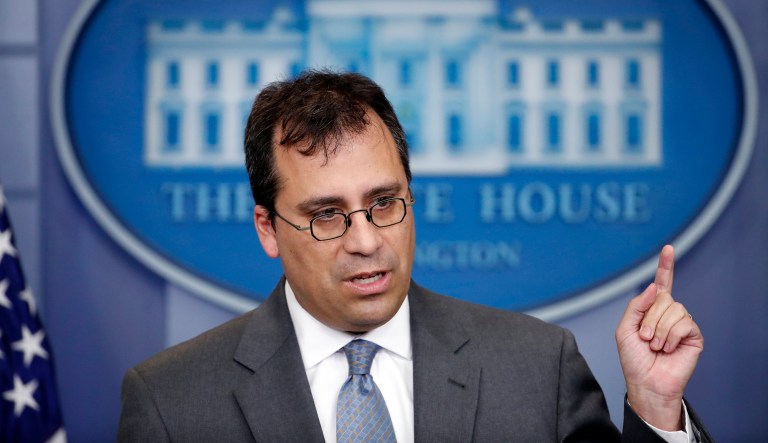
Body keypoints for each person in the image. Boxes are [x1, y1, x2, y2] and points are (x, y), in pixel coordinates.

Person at [118, 70, 710, 442]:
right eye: (327, 215)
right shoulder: (172, 402)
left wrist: (657, 411)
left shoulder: (537, 368)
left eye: (384, 202)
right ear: (268, 229)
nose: (367, 240)